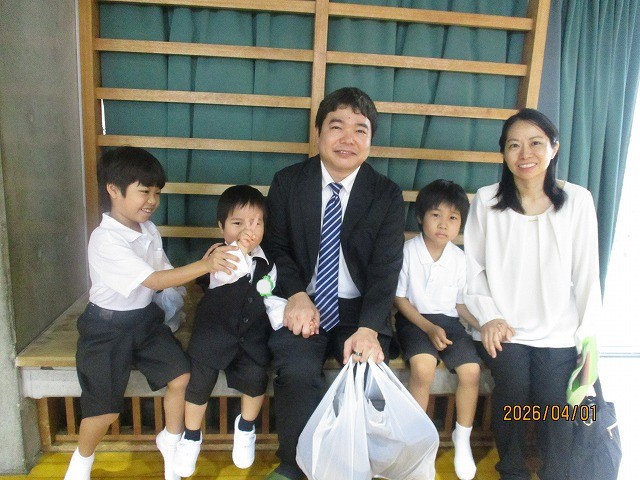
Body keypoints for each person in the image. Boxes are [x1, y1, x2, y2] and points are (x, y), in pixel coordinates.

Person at [63, 146, 238, 480]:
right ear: (113, 190)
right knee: (104, 411)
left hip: (144, 320)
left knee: (181, 375)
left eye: (157, 193)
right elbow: (154, 280)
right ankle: (81, 461)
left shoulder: (148, 230)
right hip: (106, 328)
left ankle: (170, 441)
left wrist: (208, 275)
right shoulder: (105, 239)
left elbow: (166, 273)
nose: (152, 201)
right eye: (144, 191)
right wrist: (205, 265)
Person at [262, 87, 405, 480]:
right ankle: (293, 465)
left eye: (360, 130)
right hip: (302, 299)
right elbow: (275, 247)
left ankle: (350, 466)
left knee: (363, 372)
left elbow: (386, 269)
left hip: (359, 309)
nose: (348, 139)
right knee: (296, 368)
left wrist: (369, 327)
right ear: (318, 133)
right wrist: (296, 294)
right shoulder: (288, 182)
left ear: (371, 140)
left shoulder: (386, 195)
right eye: (337, 126)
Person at [464, 109, 601, 480]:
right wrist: (490, 316)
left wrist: (589, 341)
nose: (525, 154)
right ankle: (512, 470)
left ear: (554, 148)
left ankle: (557, 472)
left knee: (556, 404)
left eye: (536, 143)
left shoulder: (578, 200)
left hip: (559, 330)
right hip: (504, 327)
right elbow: (472, 270)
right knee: (513, 391)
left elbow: (587, 276)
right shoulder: (486, 201)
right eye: (514, 145)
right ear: (504, 153)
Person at [172, 185, 286, 477]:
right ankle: (191, 435)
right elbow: (228, 274)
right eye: (238, 223)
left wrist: (283, 318)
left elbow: (269, 295)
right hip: (214, 333)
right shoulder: (218, 254)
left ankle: (246, 427)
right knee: (199, 382)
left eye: (256, 223)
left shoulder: (268, 261)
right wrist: (242, 248)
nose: (249, 230)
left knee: (256, 378)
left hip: (251, 336)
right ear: (221, 226)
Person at [394, 179, 481, 480]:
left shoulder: (459, 258)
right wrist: (429, 327)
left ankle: (462, 438)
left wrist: (482, 325)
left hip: (449, 322)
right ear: (420, 217)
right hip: (414, 320)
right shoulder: (407, 251)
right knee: (423, 369)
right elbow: (400, 299)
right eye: (436, 215)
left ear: (460, 224)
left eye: (453, 217)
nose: (444, 224)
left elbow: (459, 305)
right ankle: (419, 443)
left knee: (471, 371)